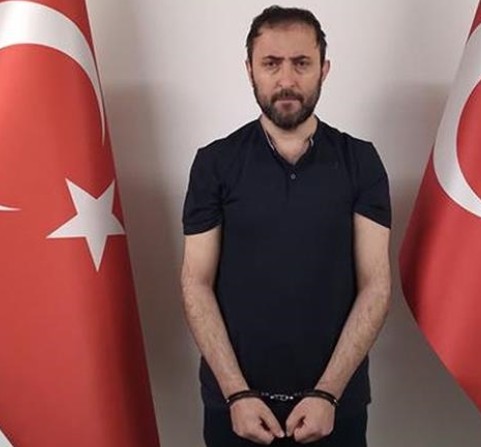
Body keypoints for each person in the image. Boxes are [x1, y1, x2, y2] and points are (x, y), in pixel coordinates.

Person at [181, 6, 391, 446]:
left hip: (336, 408)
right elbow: (195, 282)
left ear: (324, 70)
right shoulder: (214, 163)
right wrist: (237, 393)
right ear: (250, 71)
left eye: (302, 63)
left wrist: (327, 394)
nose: (286, 80)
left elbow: (376, 285)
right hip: (234, 407)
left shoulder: (361, 161)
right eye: (271, 64)